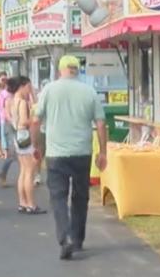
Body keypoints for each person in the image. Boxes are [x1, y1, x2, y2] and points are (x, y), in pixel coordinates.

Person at [32, 55, 107, 260]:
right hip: (82, 152)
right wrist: (103, 152)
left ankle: (64, 238)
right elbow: (100, 124)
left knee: (58, 197)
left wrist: (37, 146)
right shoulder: (89, 91)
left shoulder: (49, 90)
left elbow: (36, 120)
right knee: (80, 197)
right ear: (77, 70)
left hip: (56, 154)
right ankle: (78, 238)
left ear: (60, 70)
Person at [8, 76, 44, 214]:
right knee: (29, 171)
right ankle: (31, 204)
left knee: (23, 170)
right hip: (25, 136)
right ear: (22, 86)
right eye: (28, 87)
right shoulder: (22, 102)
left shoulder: (12, 101)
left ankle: (22, 202)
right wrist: (34, 120)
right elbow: (24, 121)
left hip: (17, 136)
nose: (30, 90)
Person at [0, 74, 16, 186]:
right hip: (8, 123)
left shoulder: (12, 95)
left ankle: (27, 176)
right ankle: (3, 174)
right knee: (12, 153)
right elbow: (2, 108)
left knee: (19, 154)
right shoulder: (6, 96)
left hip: (9, 122)